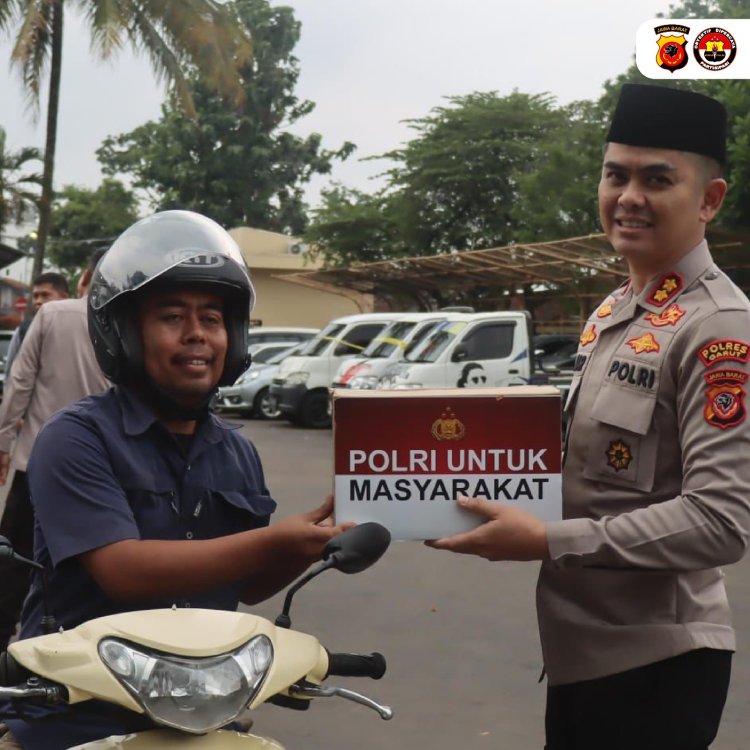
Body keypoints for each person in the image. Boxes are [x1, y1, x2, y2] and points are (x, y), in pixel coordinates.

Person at [427, 84, 750, 750]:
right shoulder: (614, 311)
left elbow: (720, 522)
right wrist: (420, 478)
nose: (629, 196)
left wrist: (547, 540)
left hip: (654, 665)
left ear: (709, 200)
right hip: (583, 654)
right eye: (616, 174)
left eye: (657, 179)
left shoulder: (719, 328)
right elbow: (574, 461)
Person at [0, 210, 349, 749]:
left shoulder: (237, 452)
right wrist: (275, 539)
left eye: (212, 319)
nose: (197, 336)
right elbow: (123, 571)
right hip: (75, 719)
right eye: (171, 317)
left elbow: (248, 583)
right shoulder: (76, 437)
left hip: (204, 713)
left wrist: (314, 543)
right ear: (124, 333)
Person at [0, 253, 109, 654]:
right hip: (103, 472)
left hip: (36, 466)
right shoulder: (130, 321)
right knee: (84, 573)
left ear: (83, 278)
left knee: (13, 566)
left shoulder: (52, 316)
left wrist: (3, 445)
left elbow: (19, 383)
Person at [4, 272, 69, 377]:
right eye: (35, 296)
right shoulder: (23, 330)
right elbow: (10, 373)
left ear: (64, 297)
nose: (38, 301)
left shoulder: (78, 327)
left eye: (45, 295)